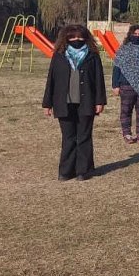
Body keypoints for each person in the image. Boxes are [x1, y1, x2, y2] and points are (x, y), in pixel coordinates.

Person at [42, 24, 107, 181]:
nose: (76, 40)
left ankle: (83, 171)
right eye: (72, 37)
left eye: (80, 37)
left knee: (84, 137)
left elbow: (99, 80)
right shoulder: (58, 56)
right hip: (64, 103)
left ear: (86, 38)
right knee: (68, 138)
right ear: (66, 39)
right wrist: (47, 103)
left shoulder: (93, 56)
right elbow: (51, 80)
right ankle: (65, 171)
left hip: (87, 102)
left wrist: (100, 101)